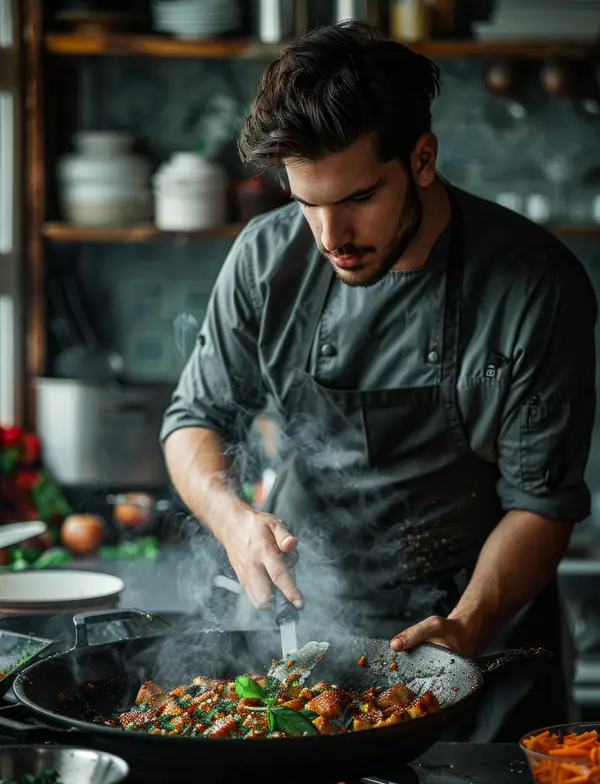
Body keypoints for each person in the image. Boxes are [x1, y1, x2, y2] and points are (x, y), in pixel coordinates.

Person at [160, 21, 597, 740]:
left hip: (473, 629)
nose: (331, 236)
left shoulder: (535, 287)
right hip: (300, 633)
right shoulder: (263, 262)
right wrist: (234, 520)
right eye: (306, 203)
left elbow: (542, 502)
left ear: (422, 159)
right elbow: (192, 421)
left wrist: (468, 626)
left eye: (357, 198)